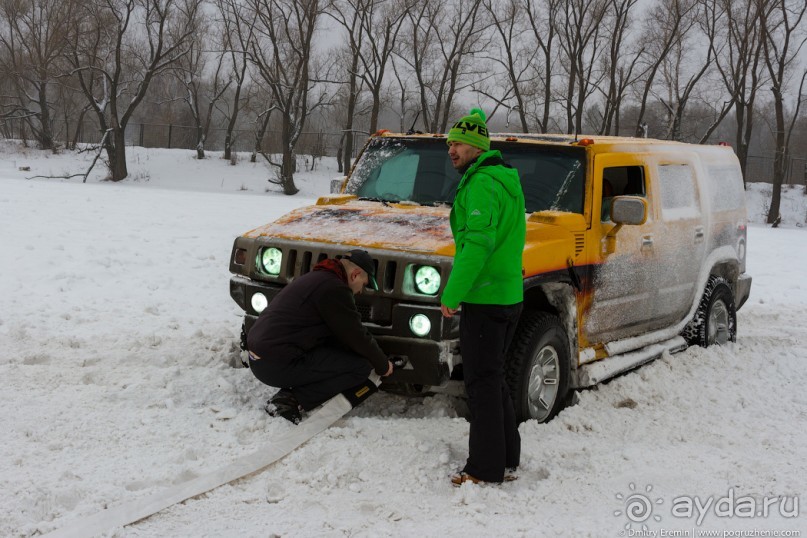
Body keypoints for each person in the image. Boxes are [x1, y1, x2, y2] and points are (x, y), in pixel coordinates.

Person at [440, 108, 526, 486]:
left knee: (481, 383)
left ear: (476, 146)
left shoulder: (482, 184)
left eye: (457, 143)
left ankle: (483, 469)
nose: (451, 150)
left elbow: (478, 242)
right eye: (449, 143)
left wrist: (453, 292)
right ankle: (507, 456)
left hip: (487, 298)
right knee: (494, 377)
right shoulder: (504, 178)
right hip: (507, 294)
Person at [247, 249, 393, 424]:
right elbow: (356, 335)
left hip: (260, 357)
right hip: (274, 363)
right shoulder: (335, 288)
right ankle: (289, 399)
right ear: (355, 274)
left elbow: (338, 335)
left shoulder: (317, 279)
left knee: (343, 356)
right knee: (359, 368)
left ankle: (291, 394)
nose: (361, 291)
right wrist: (383, 365)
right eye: (364, 283)